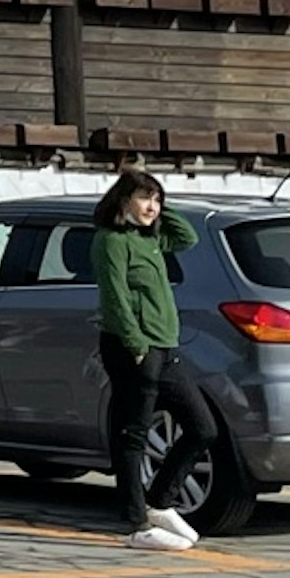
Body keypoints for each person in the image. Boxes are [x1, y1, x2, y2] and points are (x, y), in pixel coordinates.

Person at [93, 168, 203, 551]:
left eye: (156, 200)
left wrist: (161, 209)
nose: (152, 207)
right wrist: (135, 343)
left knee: (203, 428)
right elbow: (115, 297)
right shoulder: (112, 241)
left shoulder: (151, 238)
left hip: (165, 346)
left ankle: (160, 501)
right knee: (133, 433)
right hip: (132, 347)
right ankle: (138, 524)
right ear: (123, 201)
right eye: (144, 199)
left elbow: (188, 238)